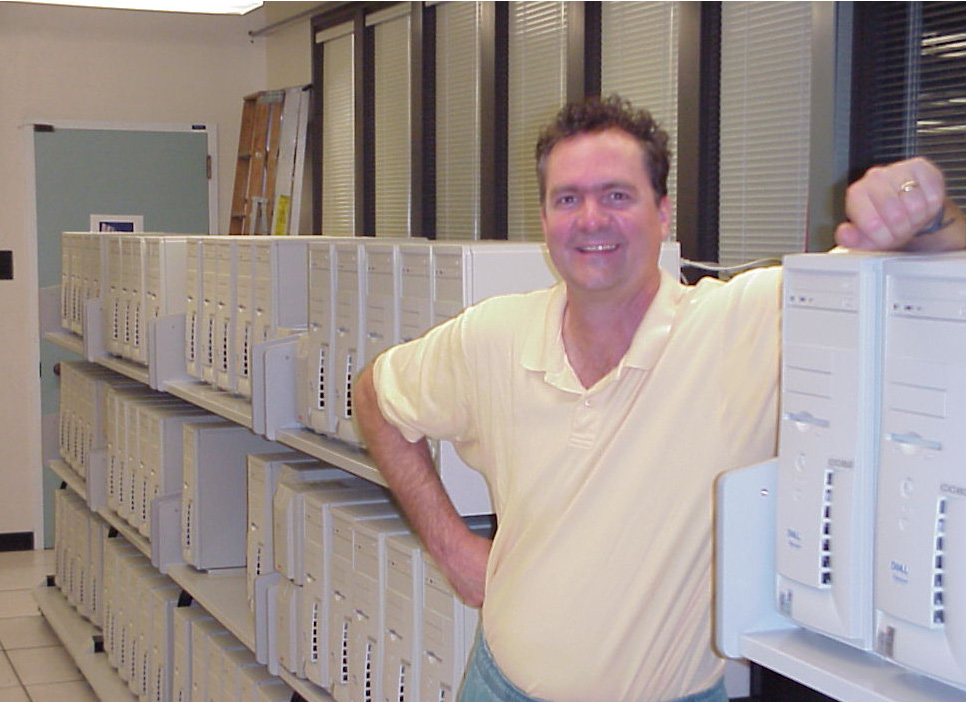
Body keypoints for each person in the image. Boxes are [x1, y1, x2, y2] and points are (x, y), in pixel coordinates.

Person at [354, 95, 966, 702]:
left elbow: (914, 269)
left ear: (663, 213)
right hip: (498, 686)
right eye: (568, 199)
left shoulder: (742, 324)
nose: (591, 218)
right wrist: (450, 543)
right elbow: (375, 397)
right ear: (545, 221)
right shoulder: (493, 335)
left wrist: (926, 214)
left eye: (617, 195)